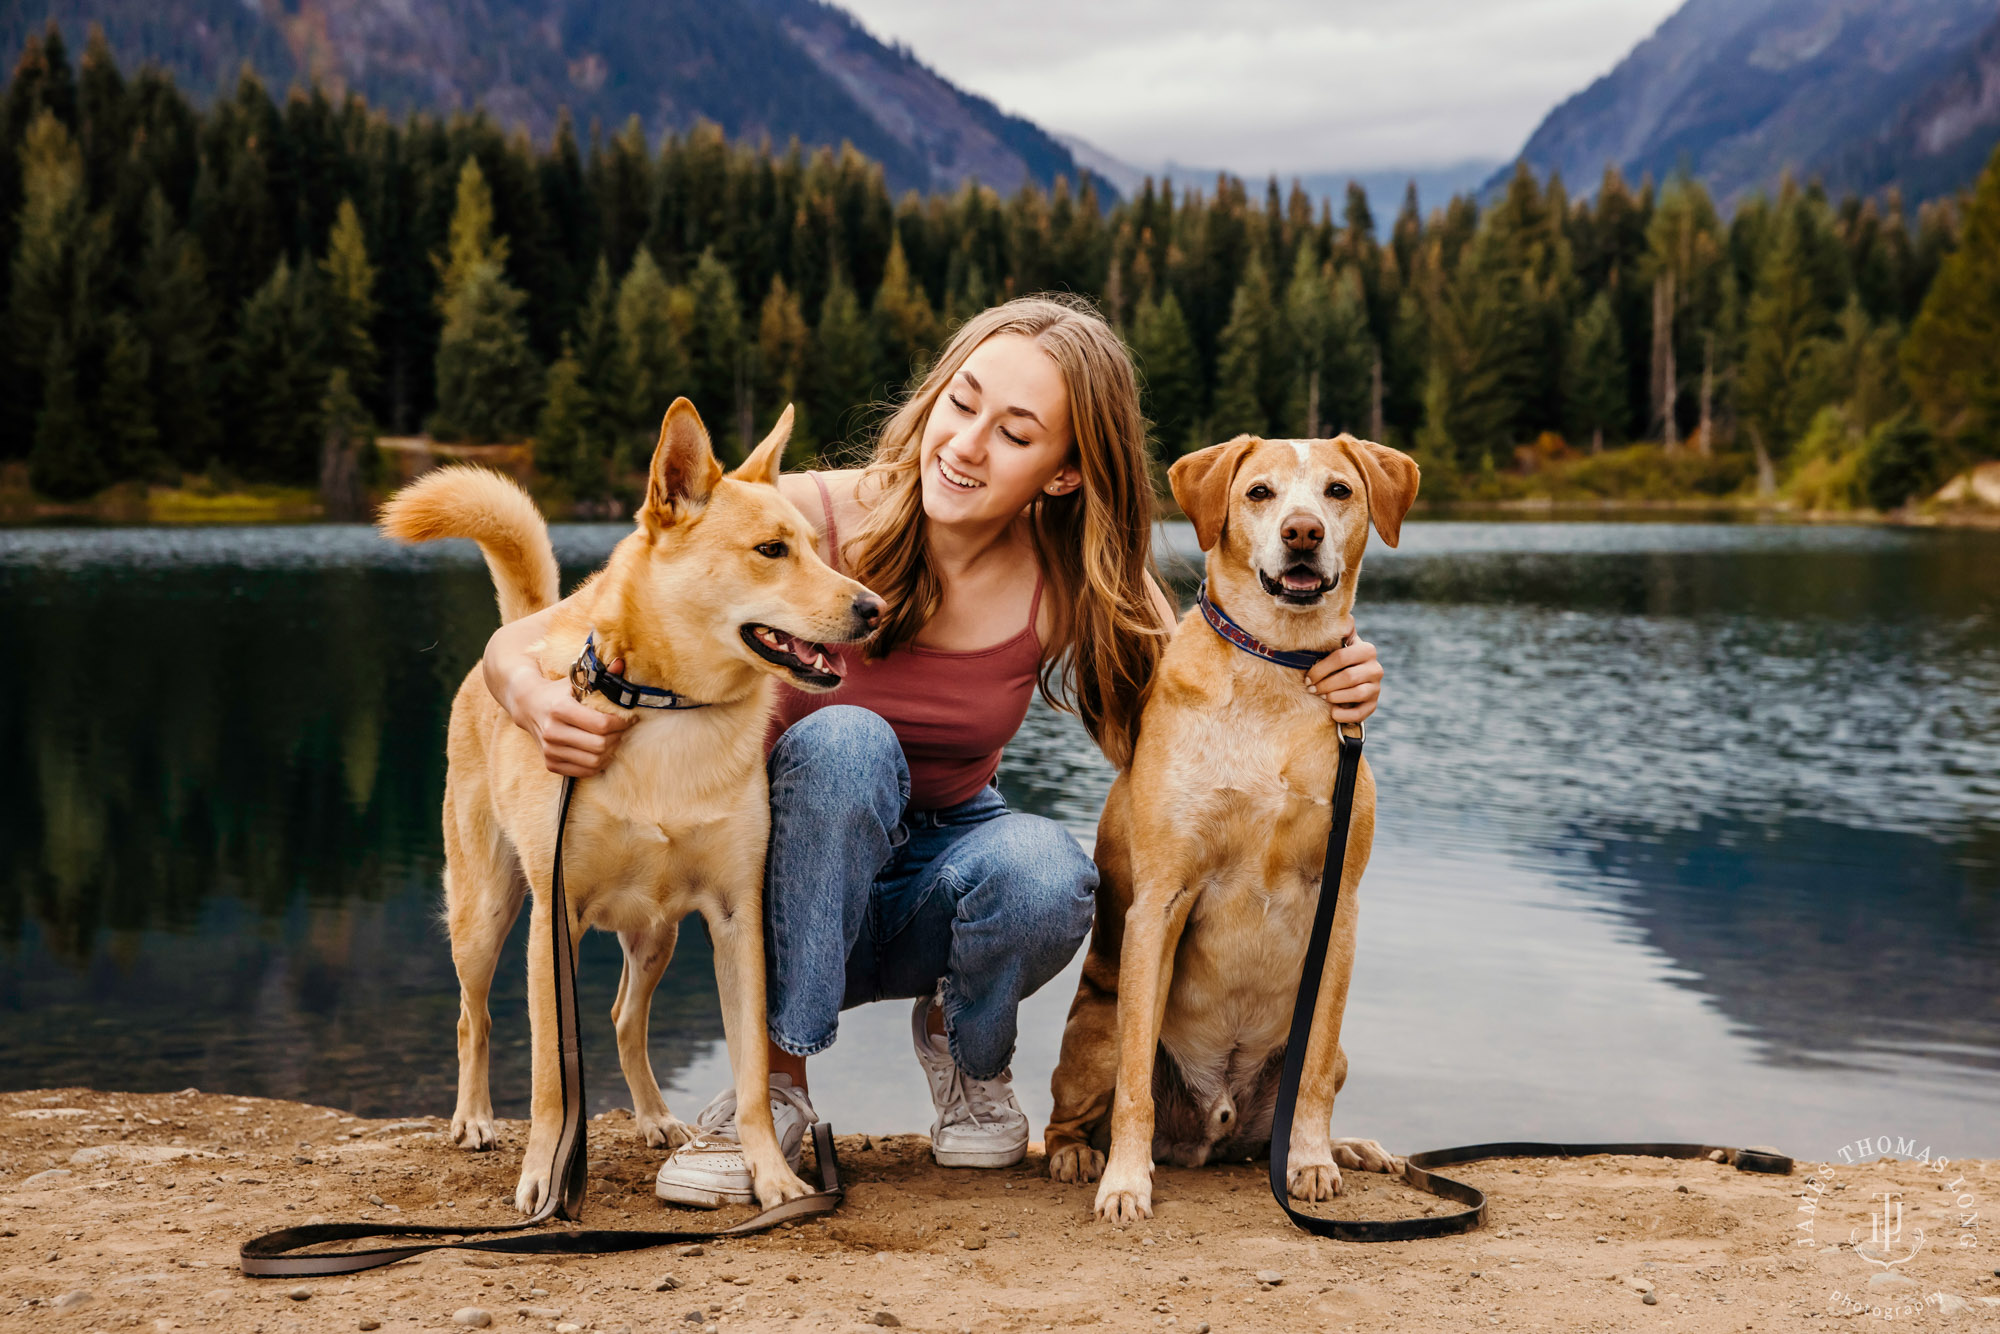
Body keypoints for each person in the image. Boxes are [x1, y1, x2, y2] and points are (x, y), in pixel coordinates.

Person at [481, 294, 1384, 1205]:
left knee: (1049, 869)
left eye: (1016, 432)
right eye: (963, 401)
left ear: (1065, 473)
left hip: (932, 889)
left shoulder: (1071, 577)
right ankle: (775, 1092)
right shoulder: (789, 518)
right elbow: (527, 642)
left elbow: (1218, 669)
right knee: (844, 744)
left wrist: (1329, 669)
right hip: (783, 892)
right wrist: (534, 700)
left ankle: (968, 1057)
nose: (966, 443)